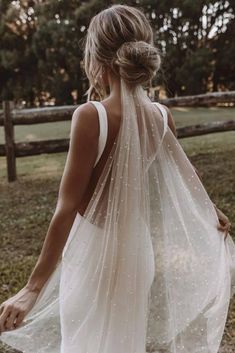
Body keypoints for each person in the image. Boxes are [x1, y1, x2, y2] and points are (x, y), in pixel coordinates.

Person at [0, 4, 234, 353]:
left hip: (92, 252)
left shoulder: (91, 115)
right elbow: (188, 176)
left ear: (96, 58)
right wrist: (212, 212)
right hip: (138, 254)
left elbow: (66, 209)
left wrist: (33, 288)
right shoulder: (161, 116)